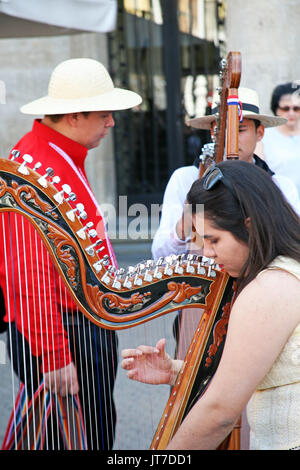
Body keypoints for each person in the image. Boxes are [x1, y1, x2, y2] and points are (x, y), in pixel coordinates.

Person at [0, 58, 142, 450]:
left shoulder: (51, 155)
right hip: (64, 332)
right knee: (80, 437)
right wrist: (54, 354)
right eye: (104, 114)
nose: (111, 123)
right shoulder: (38, 168)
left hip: (72, 326)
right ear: (75, 116)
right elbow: (25, 272)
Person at [121, 160, 300, 450]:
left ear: (249, 227)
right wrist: (180, 371)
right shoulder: (288, 269)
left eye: (213, 239)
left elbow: (219, 413)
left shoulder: (270, 288)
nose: (207, 253)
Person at [151, 87, 300, 261]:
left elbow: (294, 246)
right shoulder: (185, 179)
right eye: (223, 130)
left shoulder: (280, 185)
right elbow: (159, 255)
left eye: (240, 130)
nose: (231, 139)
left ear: (259, 133)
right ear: (213, 134)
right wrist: (185, 222)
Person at [260, 82, 300, 198]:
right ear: (276, 109)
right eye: (285, 108)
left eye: (296, 108)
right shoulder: (263, 137)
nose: (291, 113)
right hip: (280, 203)